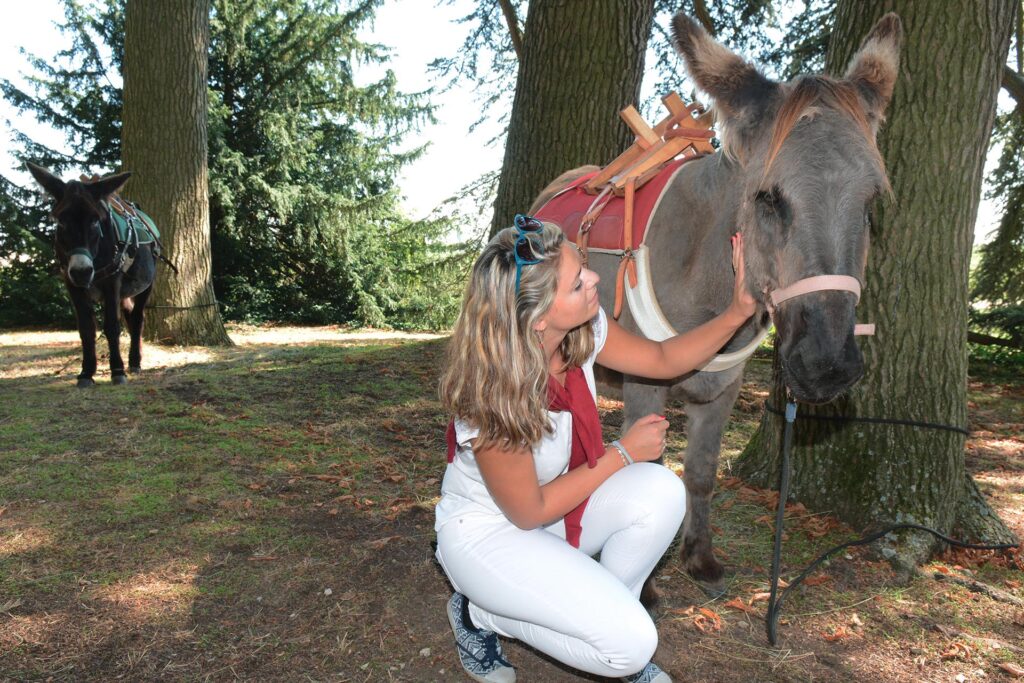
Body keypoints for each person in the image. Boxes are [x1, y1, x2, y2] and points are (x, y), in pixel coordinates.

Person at [435, 214, 756, 682]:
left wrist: (739, 310)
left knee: (662, 491)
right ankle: (478, 614)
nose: (595, 279)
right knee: (632, 647)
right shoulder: (491, 395)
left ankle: (605, 615)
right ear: (539, 319)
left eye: (582, 266)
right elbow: (528, 511)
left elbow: (663, 358)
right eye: (577, 283)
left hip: (555, 510)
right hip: (488, 533)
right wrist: (622, 453)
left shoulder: (581, 332)